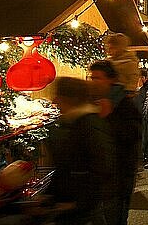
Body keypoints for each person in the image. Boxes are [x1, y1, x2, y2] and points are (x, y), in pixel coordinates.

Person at [46, 77, 113, 224]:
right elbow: (64, 167)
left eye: (59, 96)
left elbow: (101, 168)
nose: (55, 101)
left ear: (70, 98)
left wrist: (79, 203)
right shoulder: (71, 122)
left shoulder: (88, 125)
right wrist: (50, 196)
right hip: (72, 205)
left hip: (83, 210)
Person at [89, 60, 141, 225]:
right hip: (99, 174)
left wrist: (108, 117)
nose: (94, 82)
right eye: (92, 78)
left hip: (118, 173)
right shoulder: (93, 101)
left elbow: (132, 135)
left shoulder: (124, 104)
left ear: (111, 79)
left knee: (114, 216)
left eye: (98, 78)